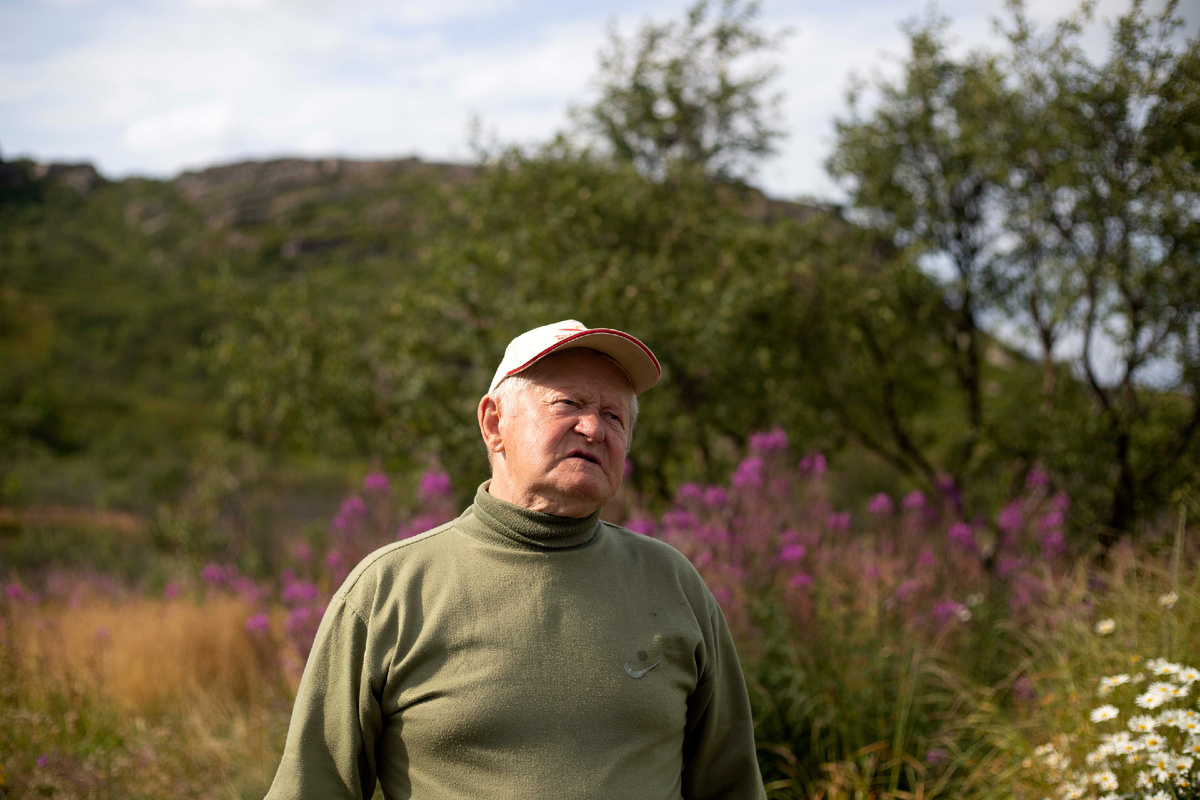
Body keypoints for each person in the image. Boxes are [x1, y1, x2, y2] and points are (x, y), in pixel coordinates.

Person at [265, 320, 766, 800]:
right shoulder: (388, 591)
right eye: (568, 404)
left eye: (615, 416)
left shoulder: (672, 582)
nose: (594, 428)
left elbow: (732, 786)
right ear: (493, 423)